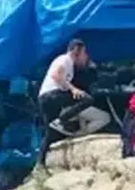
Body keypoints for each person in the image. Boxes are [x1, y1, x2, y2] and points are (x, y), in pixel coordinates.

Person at [36, 39, 94, 167]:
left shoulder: (69, 64)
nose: (85, 56)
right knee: (87, 99)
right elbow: (56, 75)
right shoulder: (65, 59)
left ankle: (40, 164)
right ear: (76, 51)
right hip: (51, 95)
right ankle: (62, 119)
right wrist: (73, 89)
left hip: (45, 98)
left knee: (50, 132)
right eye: (83, 53)